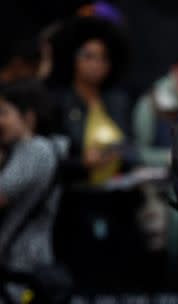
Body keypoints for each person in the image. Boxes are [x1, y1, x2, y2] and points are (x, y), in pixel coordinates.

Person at [0, 80, 68, 304]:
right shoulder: (19, 150)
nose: (0, 121)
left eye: (5, 113)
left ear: (28, 117)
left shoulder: (35, 150)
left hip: (23, 270)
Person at [50, 16, 134, 186]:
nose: (96, 64)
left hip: (119, 191)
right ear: (72, 58)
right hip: (77, 193)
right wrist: (82, 162)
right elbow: (51, 157)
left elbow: (131, 146)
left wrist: (120, 154)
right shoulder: (59, 102)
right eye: (88, 56)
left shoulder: (118, 101)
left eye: (102, 58)